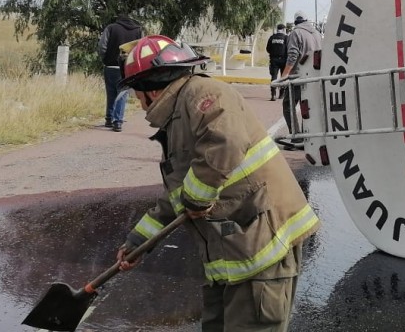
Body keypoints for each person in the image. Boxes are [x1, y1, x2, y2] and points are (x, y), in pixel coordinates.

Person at [115, 35, 320, 332]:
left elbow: (225, 142)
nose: (137, 101)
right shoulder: (179, 115)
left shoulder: (204, 94)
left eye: (136, 92)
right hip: (232, 253)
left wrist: (197, 200)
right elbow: (179, 195)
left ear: (152, 89)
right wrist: (138, 242)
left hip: (261, 245)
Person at [281, 11, 322, 138]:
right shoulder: (316, 33)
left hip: (299, 76)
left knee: (288, 105)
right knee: (309, 106)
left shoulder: (296, 33)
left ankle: (295, 135)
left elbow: (293, 55)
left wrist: (284, 75)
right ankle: (308, 136)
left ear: (295, 22)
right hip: (315, 75)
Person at [98, 13, 142, 131]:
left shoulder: (111, 28)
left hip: (111, 66)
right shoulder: (138, 31)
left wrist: (105, 59)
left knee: (111, 92)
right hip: (128, 67)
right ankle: (117, 122)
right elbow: (140, 49)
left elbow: (102, 46)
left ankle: (109, 119)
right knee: (122, 94)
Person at [265, 24, 287, 101]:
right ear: (284, 29)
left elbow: (268, 49)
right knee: (283, 77)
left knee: (274, 77)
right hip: (283, 60)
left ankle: (273, 94)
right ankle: (281, 94)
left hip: (274, 60)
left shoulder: (272, 37)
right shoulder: (286, 38)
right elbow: (288, 49)